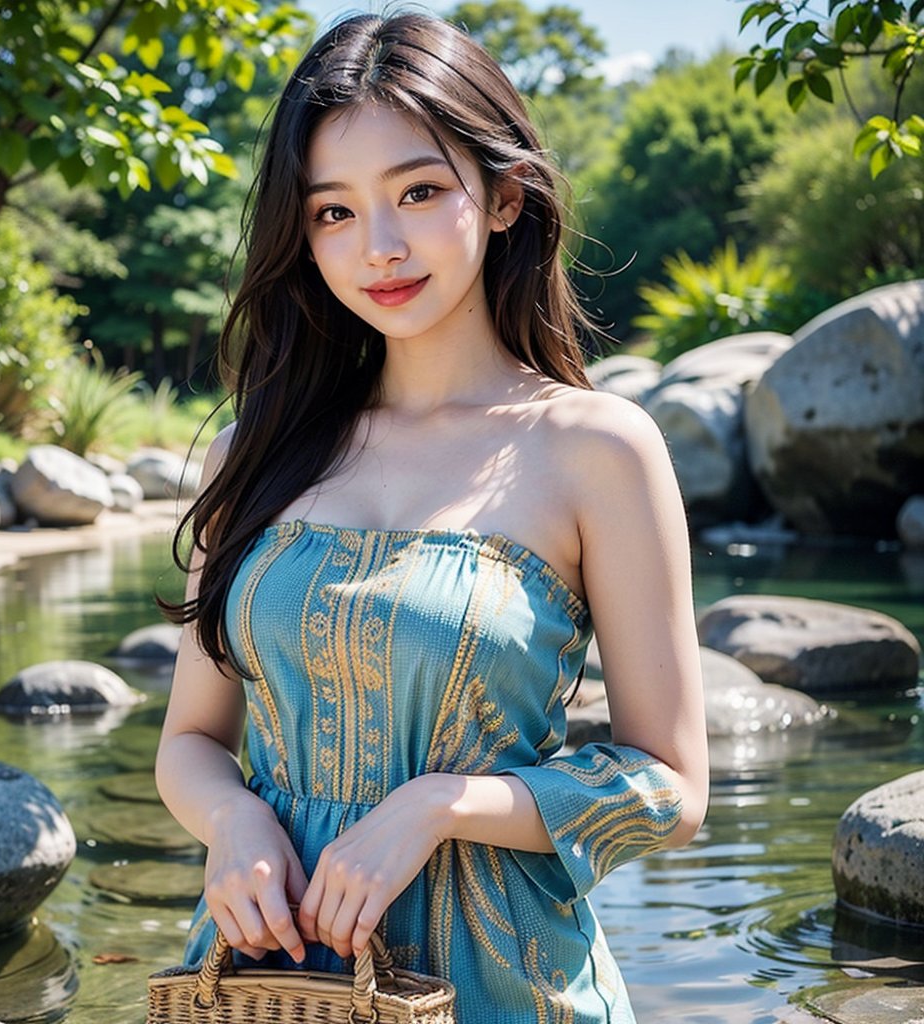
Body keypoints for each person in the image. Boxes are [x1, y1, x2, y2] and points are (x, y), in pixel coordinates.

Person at [155, 11, 708, 1022]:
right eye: (332, 212)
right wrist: (232, 820)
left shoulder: (595, 447)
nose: (380, 246)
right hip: (272, 980)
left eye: (417, 190)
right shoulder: (259, 448)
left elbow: (670, 786)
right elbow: (191, 736)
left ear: (502, 197)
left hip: (502, 980)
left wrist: (437, 805)